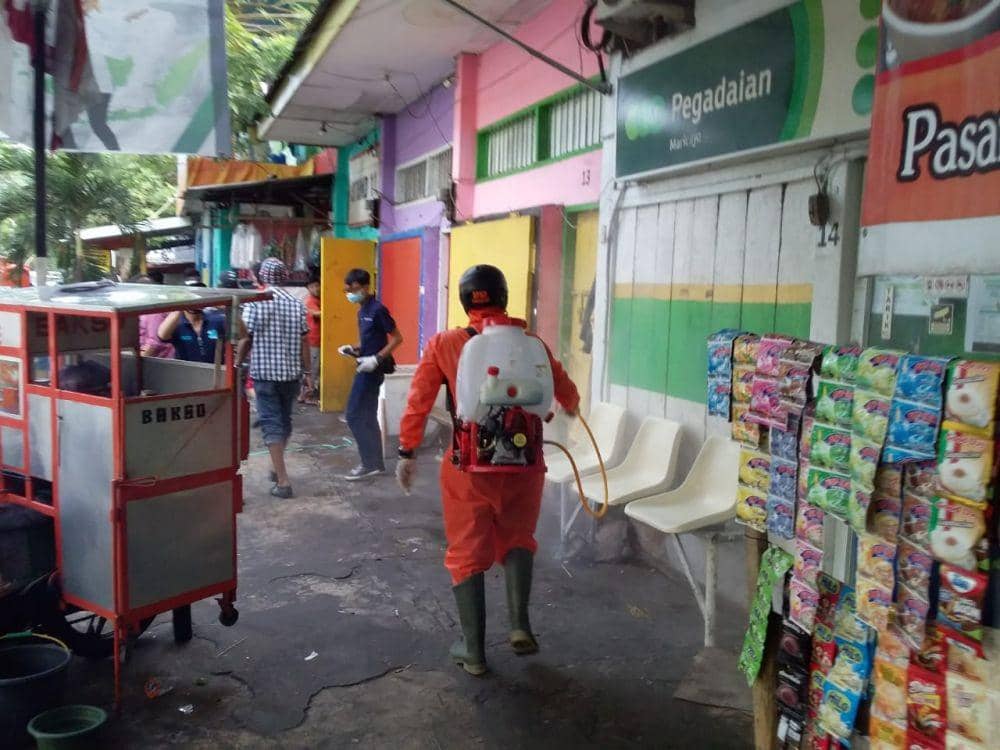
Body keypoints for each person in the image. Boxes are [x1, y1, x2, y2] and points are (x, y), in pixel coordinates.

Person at [396, 265, 580, 676]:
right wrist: (570, 404)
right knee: (518, 538)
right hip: (525, 466)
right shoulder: (533, 344)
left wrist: (406, 451)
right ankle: (519, 624)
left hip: (468, 469)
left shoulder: (444, 344)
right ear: (505, 297)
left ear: (465, 302)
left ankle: (474, 651)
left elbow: (419, 400)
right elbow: (566, 392)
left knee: (466, 553)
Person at [236, 258, 311, 499]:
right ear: (285, 276)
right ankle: (275, 467)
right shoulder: (297, 304)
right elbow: (304, 341)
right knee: (284, 421)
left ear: (261, 278)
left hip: (264, 375)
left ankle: (283, 481)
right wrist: (308, 373)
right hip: (291, 374)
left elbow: (246, 338)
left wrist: (238, 363)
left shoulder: (255, 303)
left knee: (271, 423)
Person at [338, 268, 403, 481]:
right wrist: (353, 348)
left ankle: (369, 463)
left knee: (354, 415)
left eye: (354, 289)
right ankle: (375, 464)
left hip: (372, 370)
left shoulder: (378, 310)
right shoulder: (362, 310)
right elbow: (368, 341)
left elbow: (396, 338)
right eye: (347, 290)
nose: (350, 293)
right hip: (363, 365)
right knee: (366, 415)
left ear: (366, 287)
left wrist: (377, 359)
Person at [157, 305, 226, 364]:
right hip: (187, 372)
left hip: (216, 372)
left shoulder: (216, 320)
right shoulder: (177, 323)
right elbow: (162, 336)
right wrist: (179, 307)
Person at [301, 270, 321, 404]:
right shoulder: (310, 301)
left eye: (317, 285)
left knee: (314, 368)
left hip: (318, 339)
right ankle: (307, 396)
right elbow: (316, 313)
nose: (316, 288)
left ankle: (305, 394)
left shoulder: (318, 299)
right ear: (308, 288)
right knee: (312, 369)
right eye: (312, 286)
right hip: (313, 339)